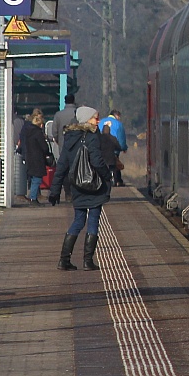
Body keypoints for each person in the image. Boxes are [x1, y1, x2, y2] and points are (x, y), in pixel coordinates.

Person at [49, 106, 112, 271]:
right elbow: (97, 161)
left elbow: (62, 166)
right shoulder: (92, 137)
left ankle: (64, 260)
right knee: (93, 220)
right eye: (95, 118)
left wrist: (55, 191)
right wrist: (107, 176)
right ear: (86, 120)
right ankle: (88, 261)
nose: (98, 121)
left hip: (77, 185)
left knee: (78, 221)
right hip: (94, 186)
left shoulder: (69, 138)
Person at [18, 109, 53, 206]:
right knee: (37, 178)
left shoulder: (28, 131)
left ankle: (33, 197)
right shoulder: (38, 133)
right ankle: (33, 198)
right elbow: (44, 147)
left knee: (33, 178)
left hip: (29, 156)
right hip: (37, 158)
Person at [99, 110, 128, 186]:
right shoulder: (118, 124)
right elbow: (121, 139)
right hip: (113, 151)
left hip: (101, 151)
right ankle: (117, 180)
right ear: (116, 115)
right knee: (115, 165)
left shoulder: (100, 122)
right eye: (119, 117)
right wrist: (123, 148)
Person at [48, 93, 77, 158]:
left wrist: (59, 141)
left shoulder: (58, 115)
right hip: (76, 146)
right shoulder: (78, 113)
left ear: (65, 102)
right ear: (74, 101)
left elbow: (54, 132)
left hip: (63, 145)